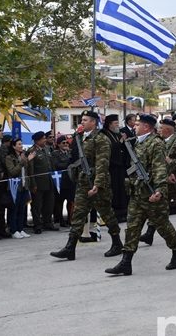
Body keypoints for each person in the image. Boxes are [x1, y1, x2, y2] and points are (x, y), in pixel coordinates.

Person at [105, 114, 176, 275]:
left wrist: (160, 191)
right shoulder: (139, 143)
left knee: (163, 227)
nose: (134, 126)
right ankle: (126, 262)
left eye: (138, 124)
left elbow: (160, 169)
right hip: (137, 194)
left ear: (146, 127)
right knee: (132, 228)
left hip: (152, 194)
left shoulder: (155, 144)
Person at [51, 111, 122, 260]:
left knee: (107, 213)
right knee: (78, 214)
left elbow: (102, 164)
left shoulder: (101, 139)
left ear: (94, 122)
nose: (81, 122)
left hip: (97, 182)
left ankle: (117, 243)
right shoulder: (81, 138)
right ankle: (70, 248)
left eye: (85, 120)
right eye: (81, 120)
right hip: (83, 182)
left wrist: (97, 184)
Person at [27, 131, 57, 234]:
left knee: (49, 204)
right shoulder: (32, 151)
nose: (45, 140)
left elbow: (51, 165)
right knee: (37, 205)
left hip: (49, 181)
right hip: (38, 183)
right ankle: (37, 225)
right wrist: (33, 184)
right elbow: (30, 169)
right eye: (43, 138)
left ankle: (48, 223)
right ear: (37, 140)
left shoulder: (47, 149)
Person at [102, 114, 129, 222]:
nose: (118, 125)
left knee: (121, 191)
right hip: (111, 168)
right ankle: (114, 214)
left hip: (120, 167)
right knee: (114, 191)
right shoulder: (104, 134)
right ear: (109, 124)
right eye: (115, 123)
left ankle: (122, 213)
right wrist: (121, 141)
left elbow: (121, 147)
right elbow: (110, 148)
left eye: (118, 123)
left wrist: (123, 141)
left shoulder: (117, 134)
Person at [5, 138, 32, 239]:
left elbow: (26, 170)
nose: (21, 146)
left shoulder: (23, 156)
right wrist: (22, 162)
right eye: (19, 144)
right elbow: (12, 172)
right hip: (14, 187)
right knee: (14, 209)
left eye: (21, 144)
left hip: (24, 185)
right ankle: (14, 230)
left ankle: (20, 229)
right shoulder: (9, 158)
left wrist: (26, 160)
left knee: (22, 208)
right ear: (13, 146)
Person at [51, 135, 74, 227]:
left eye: (66, 142)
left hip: (70, 180)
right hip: (60, 181)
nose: (65, 144)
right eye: (63, 143)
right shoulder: (55, 154)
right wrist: (69, 162)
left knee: (71, 201)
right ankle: (60, 219)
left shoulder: (70, 153)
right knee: (60, 201)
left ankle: (70, 219)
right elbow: (58, 165)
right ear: (58, 144)